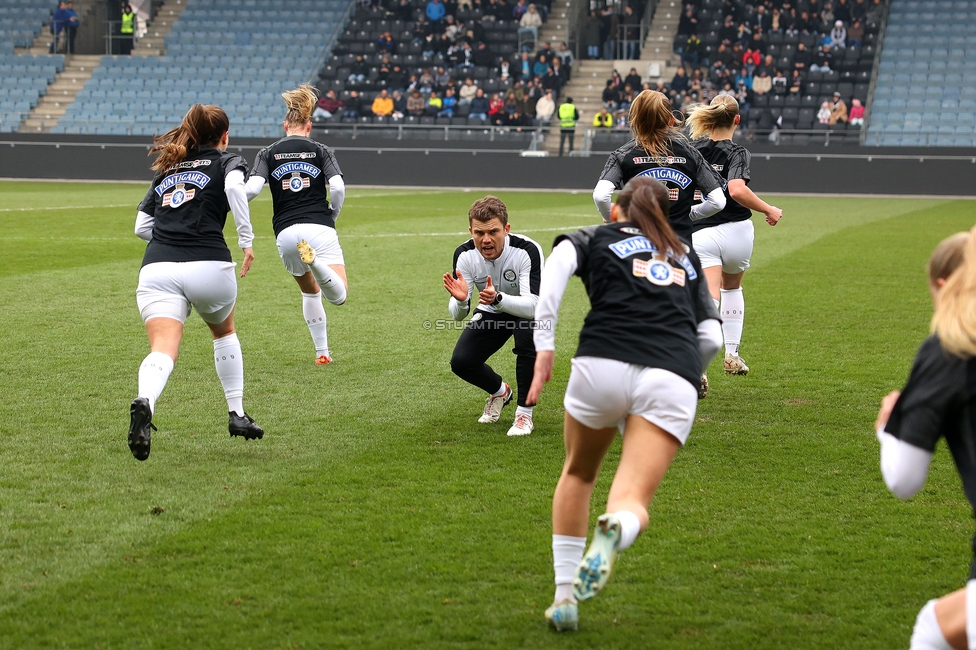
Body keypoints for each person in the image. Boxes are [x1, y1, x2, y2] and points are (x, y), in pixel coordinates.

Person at [529, 176, 722, 632]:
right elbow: (711, 336)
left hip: (601, 363)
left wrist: (545, 346)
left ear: (616, 211)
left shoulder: (598, 235)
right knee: (632, 499)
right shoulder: (685, 254)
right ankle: (616, 526)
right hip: (672, 373)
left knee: (578, 473)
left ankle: (563, 599)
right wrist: (692, 371)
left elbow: (557, 265)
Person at [129, 104, 263, 461]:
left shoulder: (168, 168)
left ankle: (146, 402)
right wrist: (246, 239)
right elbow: (236, 191)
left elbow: (141, 226)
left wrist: (172, 233)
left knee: (163, 348)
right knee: (224, 332)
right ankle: (236, 414)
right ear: (224, 135)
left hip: (157, 268)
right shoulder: (227, 161)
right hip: (209, 265)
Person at [875, 229, 976, 650]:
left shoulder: (949, 351)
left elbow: (904, 479)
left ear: (941, 284)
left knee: (932, 630)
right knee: (937, 627)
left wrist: (887, 428)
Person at [244, 85, 347, 365]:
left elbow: (252, 189)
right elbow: (337, 187)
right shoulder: (321, 149)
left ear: (285, 124)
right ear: (309, 126)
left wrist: (231, 199)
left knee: (309, 290)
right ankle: (316, 263)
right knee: (339, 297)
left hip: (286, 233)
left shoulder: (268, 152)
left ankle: (322, 353)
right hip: (319, 226)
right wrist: (332, 216)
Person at [685, 95, 782, 387]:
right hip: (737, 230)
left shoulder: (691, 149)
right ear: (737, 120)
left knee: (709, 294)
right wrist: (768, 209)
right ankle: (732, 354)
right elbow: (737, 189)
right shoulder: (737, 151)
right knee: (732, 287)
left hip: (701, 230)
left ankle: (698, 364)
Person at [442, 196, 545, 437]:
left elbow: (533, 305)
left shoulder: (527, 250)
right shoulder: (465, 255)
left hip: (526, 308)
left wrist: (498, 298)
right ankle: (500, 392)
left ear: (506, 229)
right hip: (492, 308)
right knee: (461, 362)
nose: (486, 239)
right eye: (479, 233)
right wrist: (459, 300)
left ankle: (524, 414)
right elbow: (459, 315)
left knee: (526, 339)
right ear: (470, 231)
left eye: (493, 232)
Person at [592, 90, 727, 244]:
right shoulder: (691, 154)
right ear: (671, 120)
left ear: (636, 120)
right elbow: (718, 202)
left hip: (639, 247)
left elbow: (600, 196)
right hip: (680, 246)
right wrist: (690, 213)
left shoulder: (623, 154)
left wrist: (612, 217)